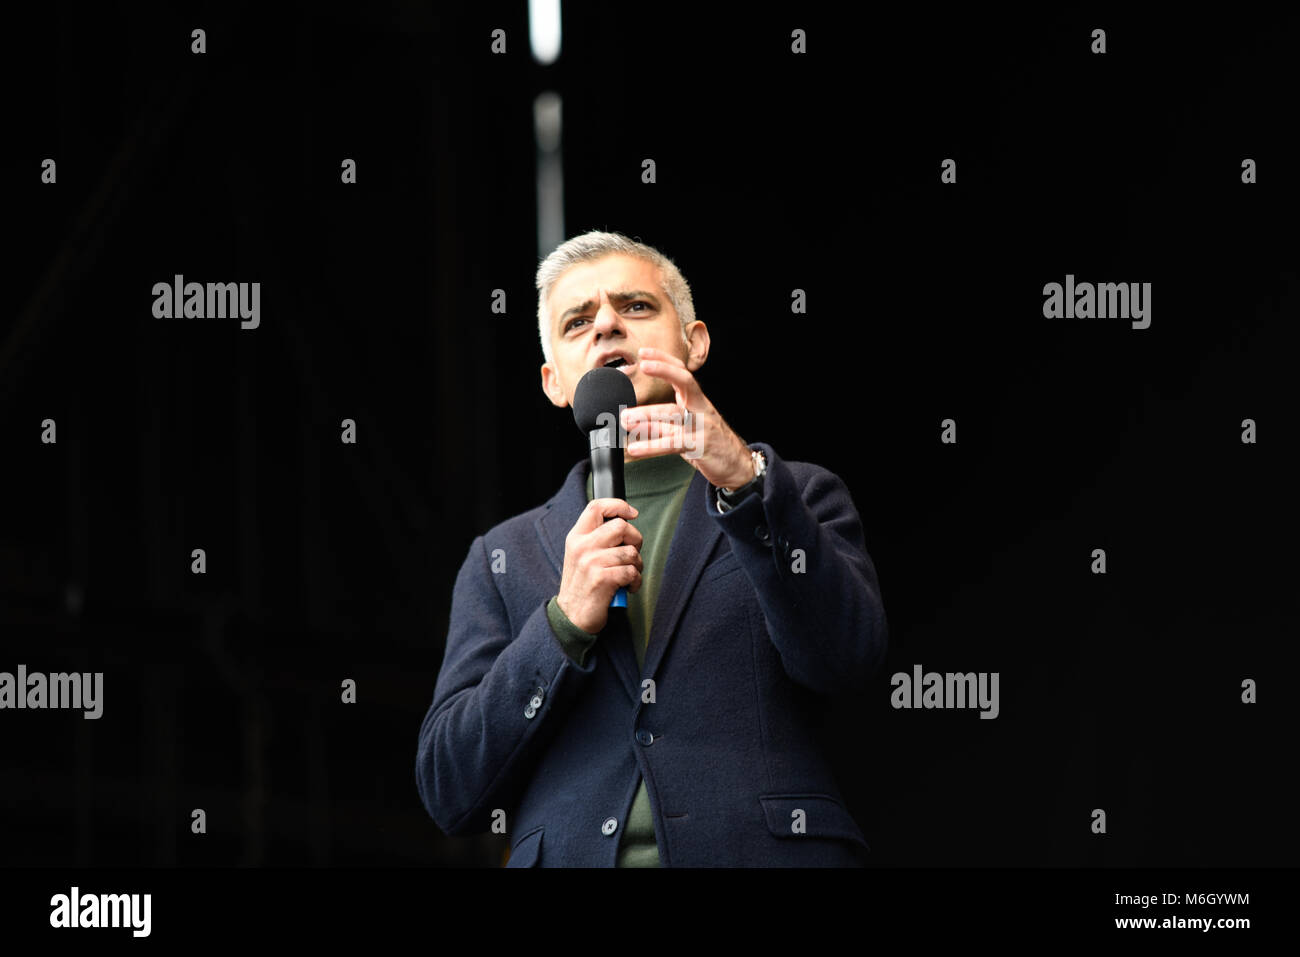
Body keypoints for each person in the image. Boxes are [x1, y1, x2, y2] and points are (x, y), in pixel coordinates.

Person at [415, 231, 889, 866]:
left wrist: (745, 483)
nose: (607, 324)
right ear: (555, 381)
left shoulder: (794, 493)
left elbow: (847, 658)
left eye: (635, 307)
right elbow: (450, 789)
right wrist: (561, 625)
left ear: (694, 343)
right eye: (578, 320)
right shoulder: (502, 557)